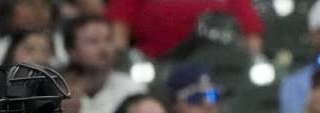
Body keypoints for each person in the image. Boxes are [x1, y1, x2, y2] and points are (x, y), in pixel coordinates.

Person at [107, 0, 264, 61]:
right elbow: (119, 25)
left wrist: (251, 61)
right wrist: (122, 60)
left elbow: (250, 31)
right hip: (158, 63)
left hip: (219, 62)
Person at [61, 15, 145, 113]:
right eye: (93, 41)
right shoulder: (58, 92)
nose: (104, 48)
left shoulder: (132, 90)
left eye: (108, 40)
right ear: (71, 51)